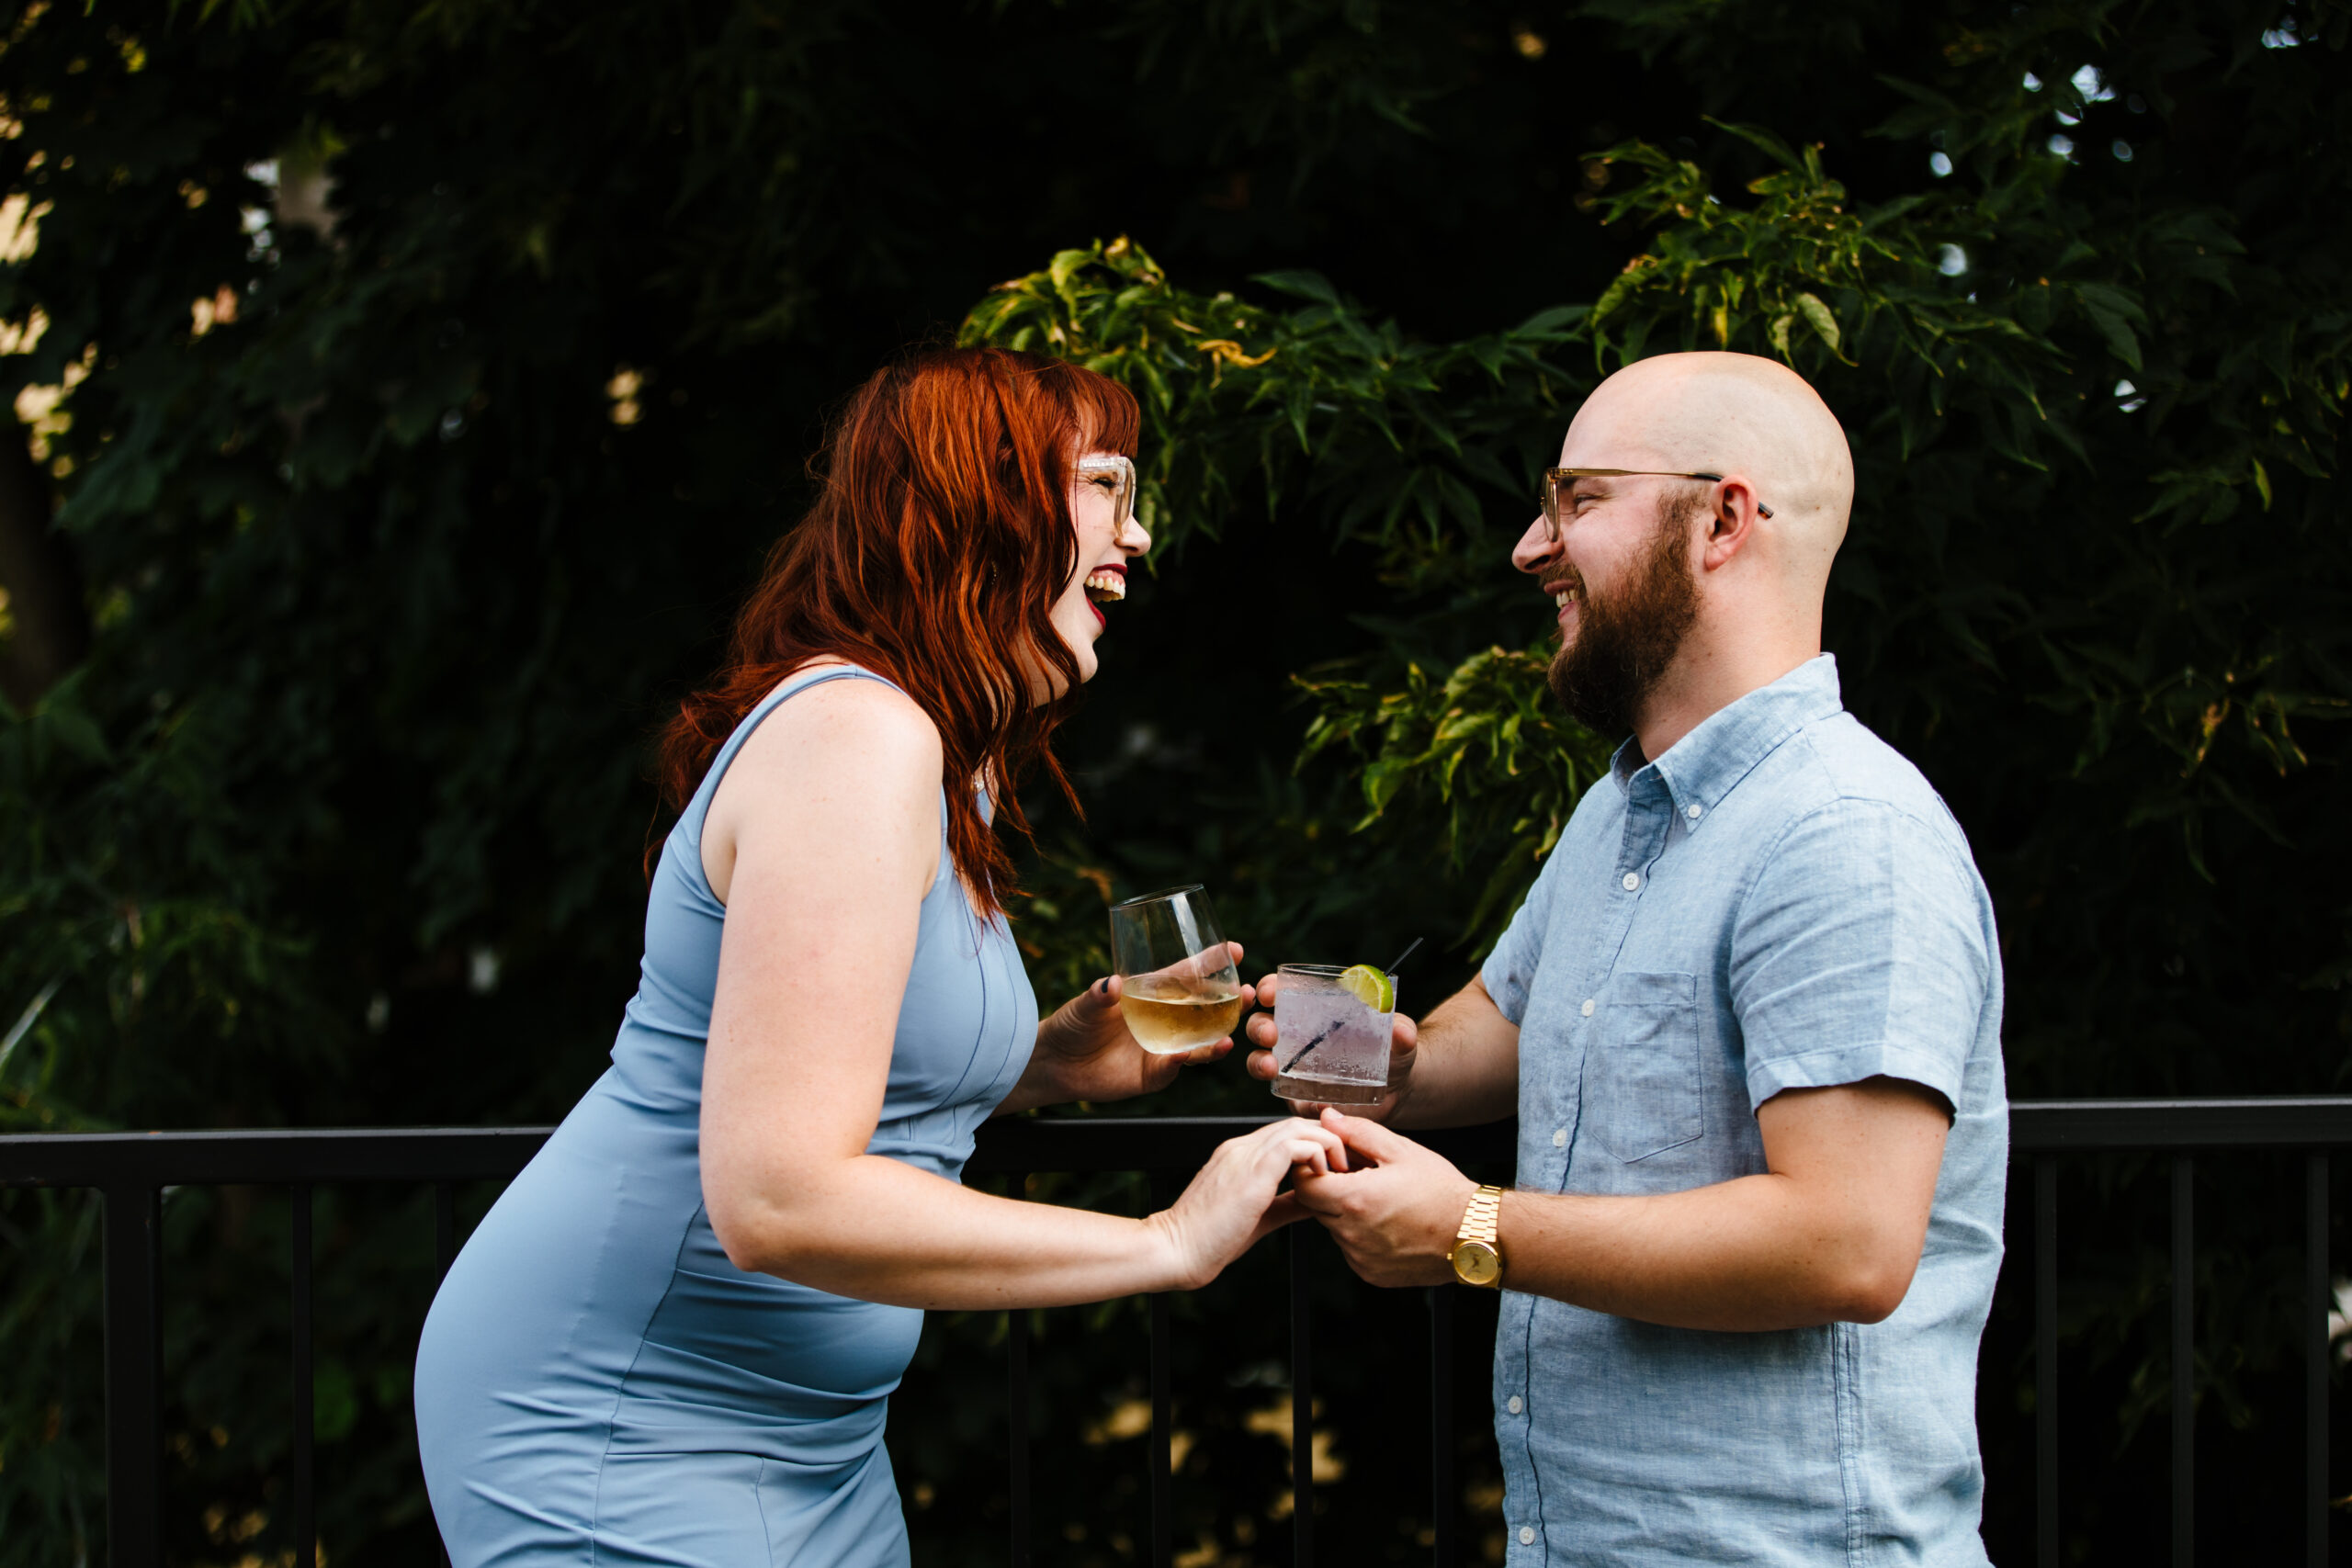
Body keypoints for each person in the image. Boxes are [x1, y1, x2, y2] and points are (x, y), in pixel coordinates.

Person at [414, 346, 1344, 1566]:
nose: (1141, 534)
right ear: (987, 501)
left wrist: (1044, 1066)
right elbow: (781, 1194)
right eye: (1107, 486)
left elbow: (820, 1053)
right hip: (620, 1422)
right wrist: (1170, 1241)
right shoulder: (857, 735)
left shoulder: (938, 754)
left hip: (812, 1438)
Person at [1249, 350, 2007, 1565]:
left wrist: (1472, 1228)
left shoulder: (1847, 832)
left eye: (1578, 500)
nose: (1529, 548)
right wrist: (1346, 1050)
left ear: (1722, 520)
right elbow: (1495, 1025)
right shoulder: (1624, 806)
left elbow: (1849, 1243)